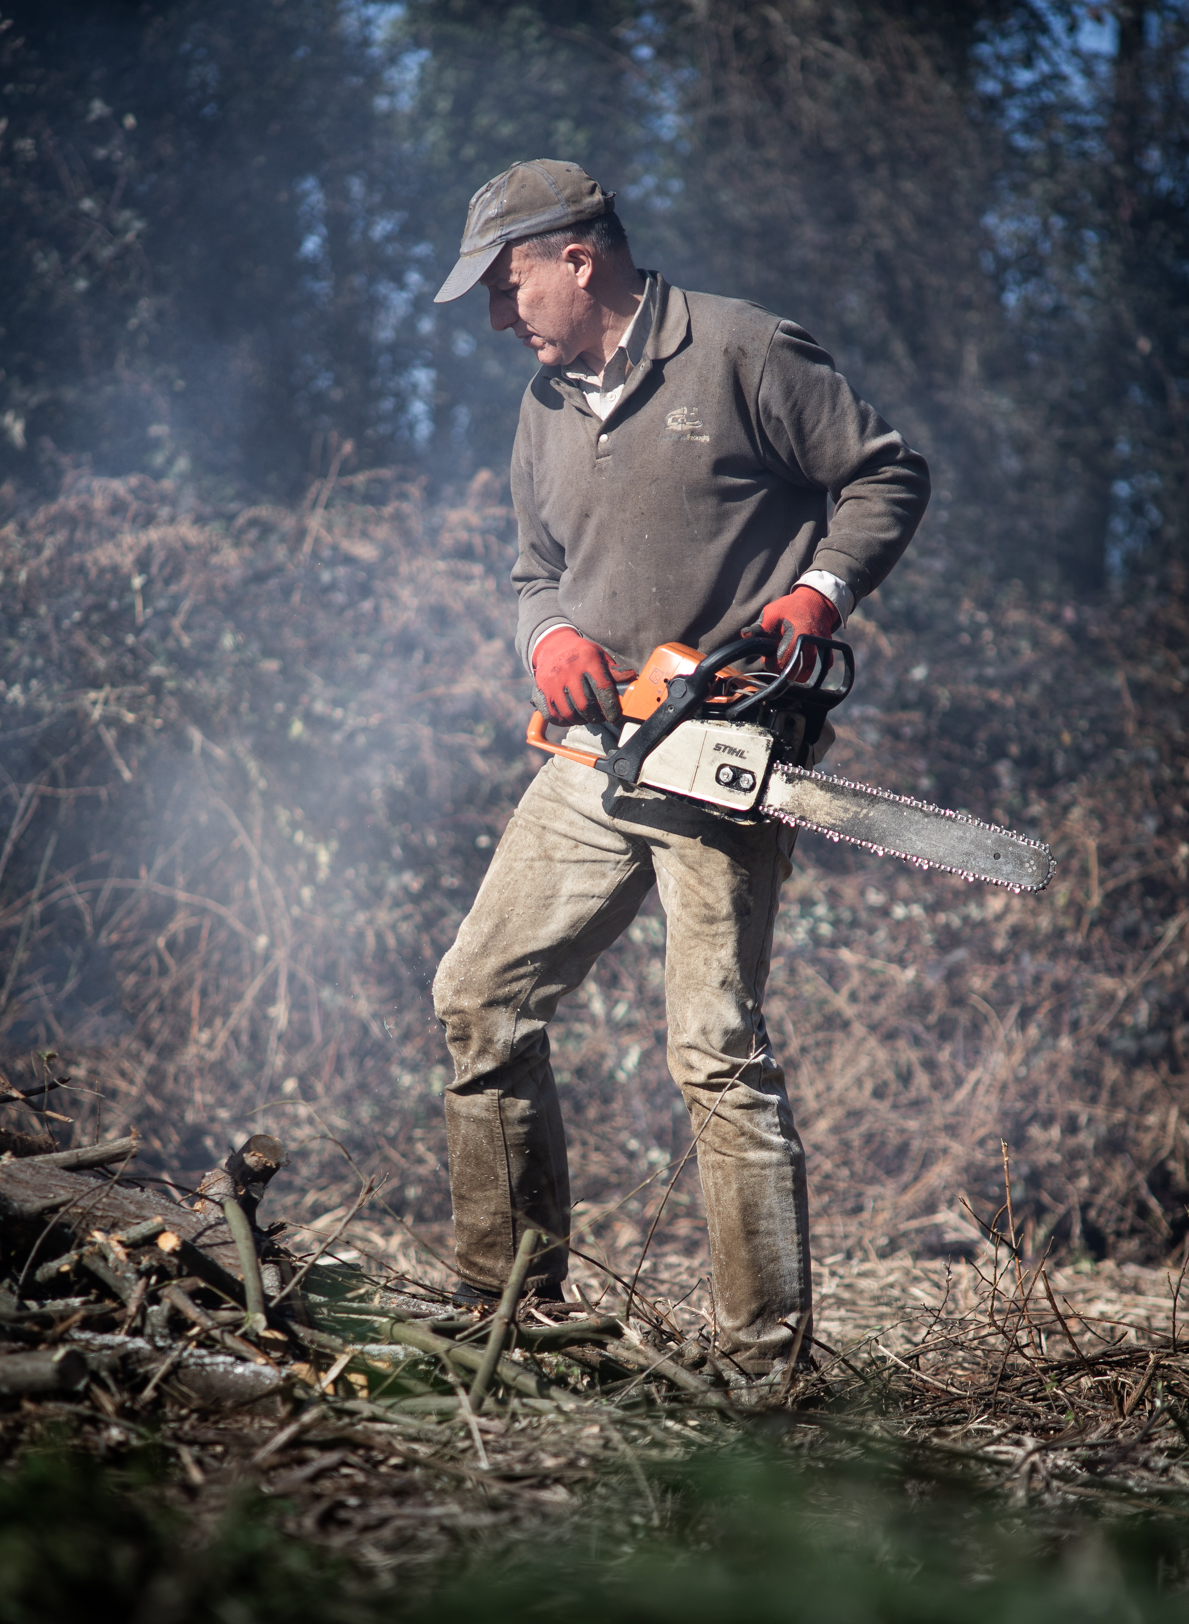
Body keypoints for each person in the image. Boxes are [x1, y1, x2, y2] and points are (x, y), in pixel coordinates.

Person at [430, 160, 929, 1374]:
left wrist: (821, 590)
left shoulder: (742, 351)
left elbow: (885, 471)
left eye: (509, 287)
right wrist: (546, 639)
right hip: (598, 746)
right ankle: (507, 1304)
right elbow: (531, 568)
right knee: (480, 997)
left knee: (712, 1044)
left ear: (576, 259)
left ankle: (764, 1356)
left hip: (722, 743)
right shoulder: (543, 403)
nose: (502, 318)